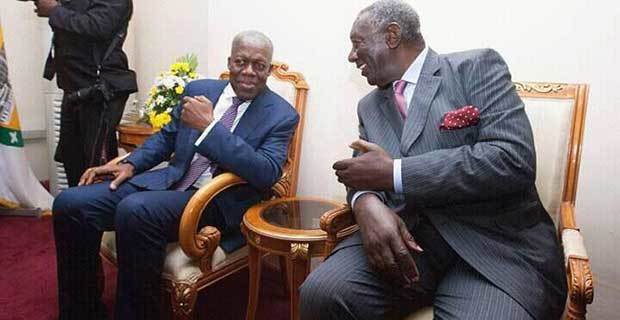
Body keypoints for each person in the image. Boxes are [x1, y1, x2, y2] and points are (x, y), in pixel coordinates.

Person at [300, 1, 567, 319]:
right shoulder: (369, 106)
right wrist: (365, 203)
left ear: (392, 35)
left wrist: (396, 173)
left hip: (493, 246)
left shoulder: (476, 67)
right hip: (407, 242)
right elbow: (363, 173)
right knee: (322, 295)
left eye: (357, 44)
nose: (351, 56)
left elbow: (512, 159)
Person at [52, 31, 299, 320]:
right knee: (70, 203)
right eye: (241, 62)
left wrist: (210, 129)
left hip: (215, 200)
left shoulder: (281, 114)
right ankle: (82, 310)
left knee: (137, 210)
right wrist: (131, 164)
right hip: (170, 182)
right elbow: (167, 137)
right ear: (229, 62)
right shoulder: (199, 90)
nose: (248, 72)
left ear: (269, 69)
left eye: (258, 65)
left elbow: (266, 172)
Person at [34, 0, 138, 187]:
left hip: (100, 91)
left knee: (96, 166)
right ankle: (76, 212)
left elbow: (98, 25)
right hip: (73, 89)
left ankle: (98, 215)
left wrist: (55, 11)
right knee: (71, 160)